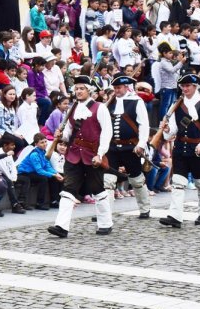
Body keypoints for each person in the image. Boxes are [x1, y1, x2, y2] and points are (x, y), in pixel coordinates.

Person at [46, 76, 113, 238]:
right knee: (68, 189)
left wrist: (100, 154)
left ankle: (105, 223)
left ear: (89, 90)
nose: (78, 91)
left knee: (97, 189)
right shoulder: (72, 109)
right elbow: (69, 133)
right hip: (74, 154)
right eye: (76, 89)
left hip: (93, 155)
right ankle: (61, 226)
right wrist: (62, 135)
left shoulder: (100, 108)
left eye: (81, 88)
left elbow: (106, 133)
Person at [161, 73, 200, 228]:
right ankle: (175, 216)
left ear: (195, 87)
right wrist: (166, 129)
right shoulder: (177, 106)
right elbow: (172, 130)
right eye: (183, 86)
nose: (185, 89)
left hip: (197, 150)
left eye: (188, 86)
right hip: (180, 149)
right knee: (178, 184)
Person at [104, 75, 152, 220]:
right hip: (112, 147)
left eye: (119, 88)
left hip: (130, 147)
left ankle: (145, 208)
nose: (117, 90)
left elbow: (144, 124)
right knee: (108, 181)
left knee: (136, 179)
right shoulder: (110, 102)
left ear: (126, 87)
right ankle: (105, 212)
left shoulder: (136, 102)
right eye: (115, 88)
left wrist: (141, 144)